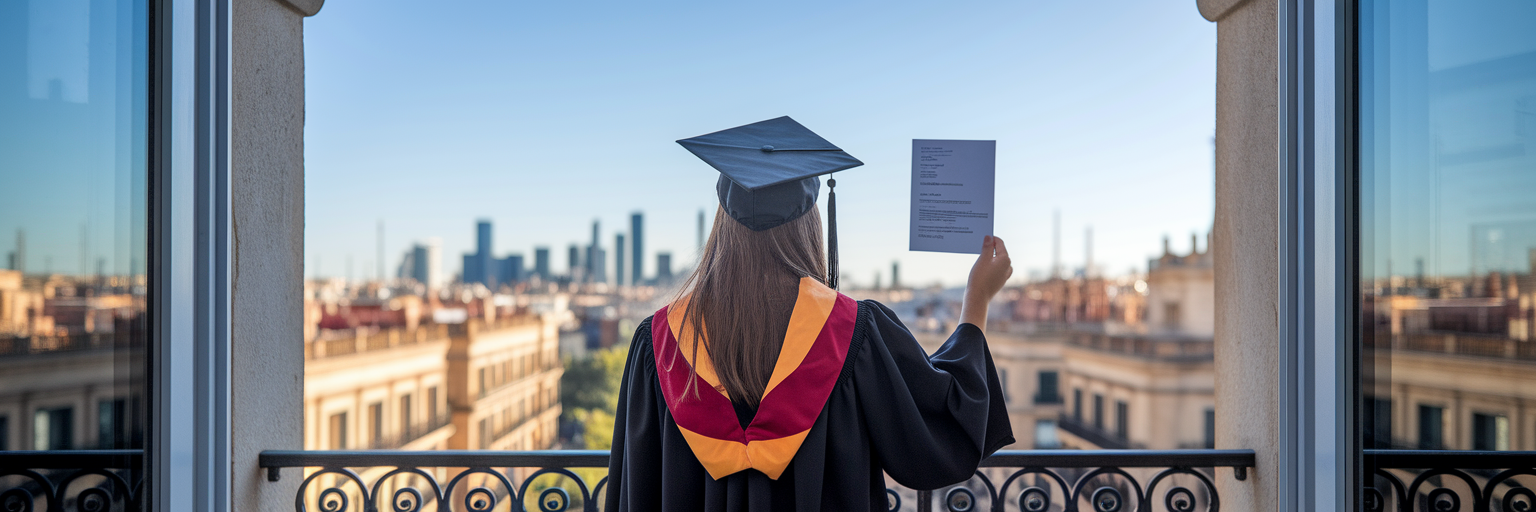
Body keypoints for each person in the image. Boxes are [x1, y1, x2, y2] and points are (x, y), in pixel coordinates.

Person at [605, 117, 1014, 511]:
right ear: (810, 224)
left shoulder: (659, 345)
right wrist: (975, 301)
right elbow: (943, 434)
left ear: (722, 225)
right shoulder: (855, 333)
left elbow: (634, 488)